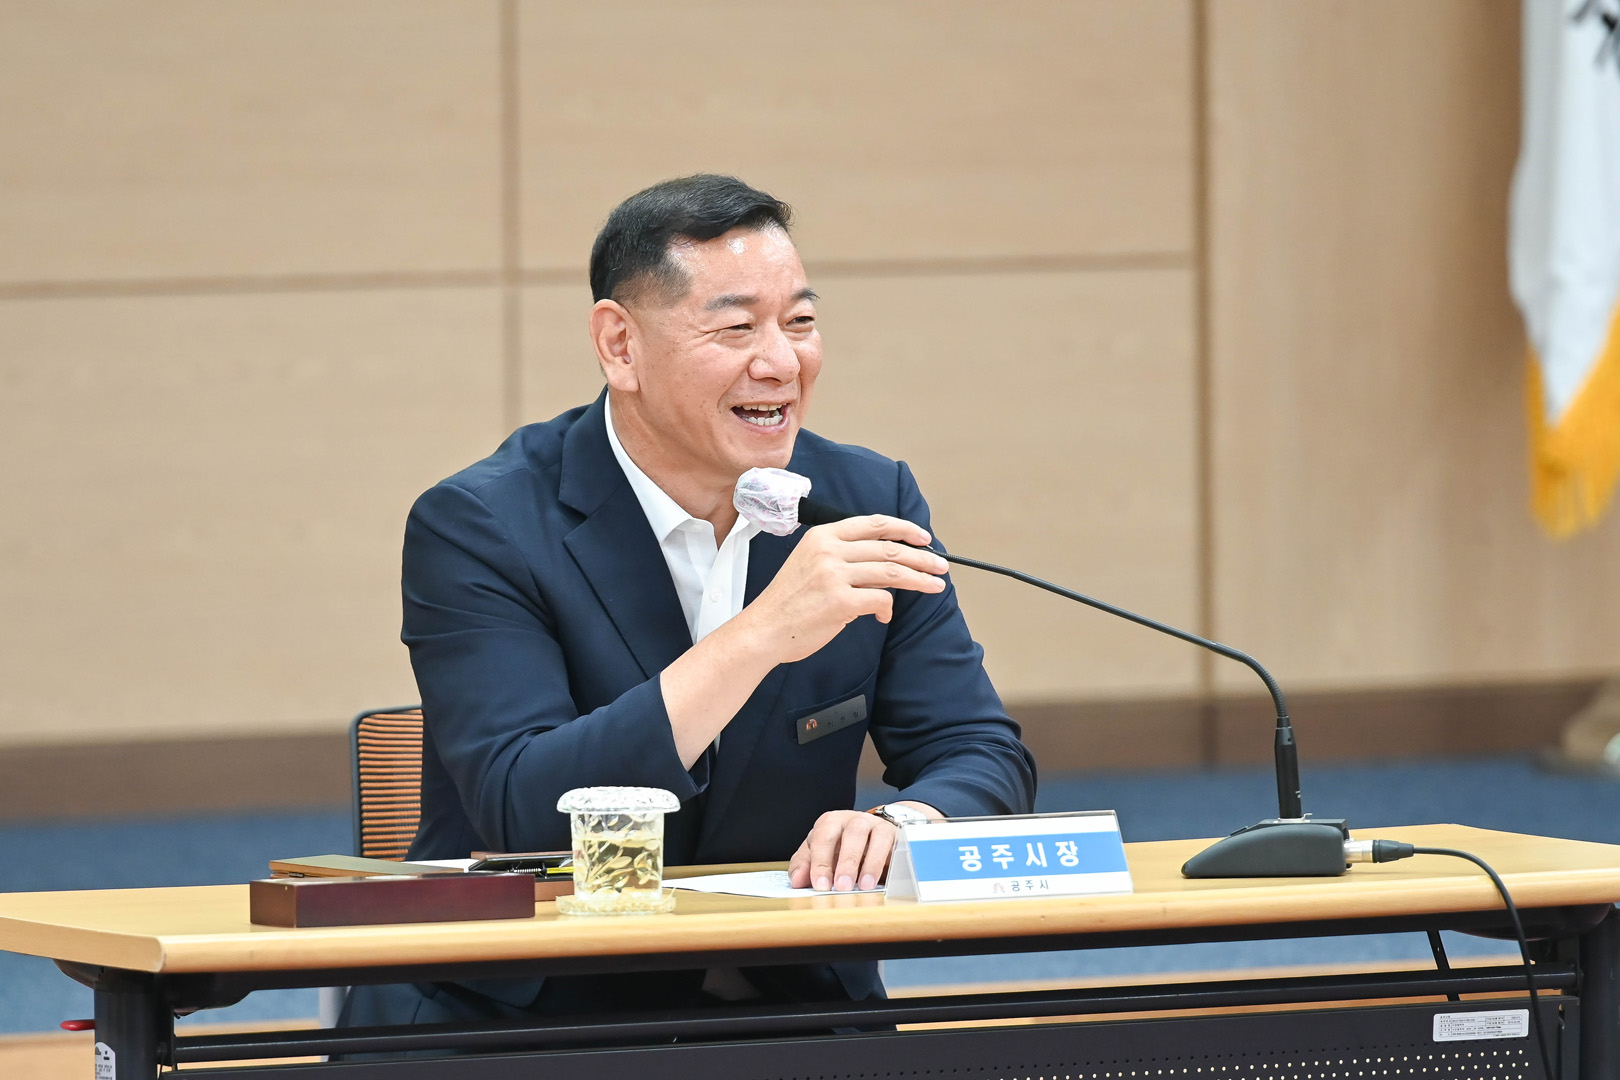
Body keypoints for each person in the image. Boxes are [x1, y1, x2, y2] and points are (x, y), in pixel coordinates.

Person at [340, 174, 1035, 1030]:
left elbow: (978, 748)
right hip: (530, 1014)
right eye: (736, 328)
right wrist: (762, 633)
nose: (781, 362)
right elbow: (525, 810)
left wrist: (906, 819)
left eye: (800, 323)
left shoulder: (863, 499)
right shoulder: (483, 524)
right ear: (620, 345)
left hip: (790, 1005)